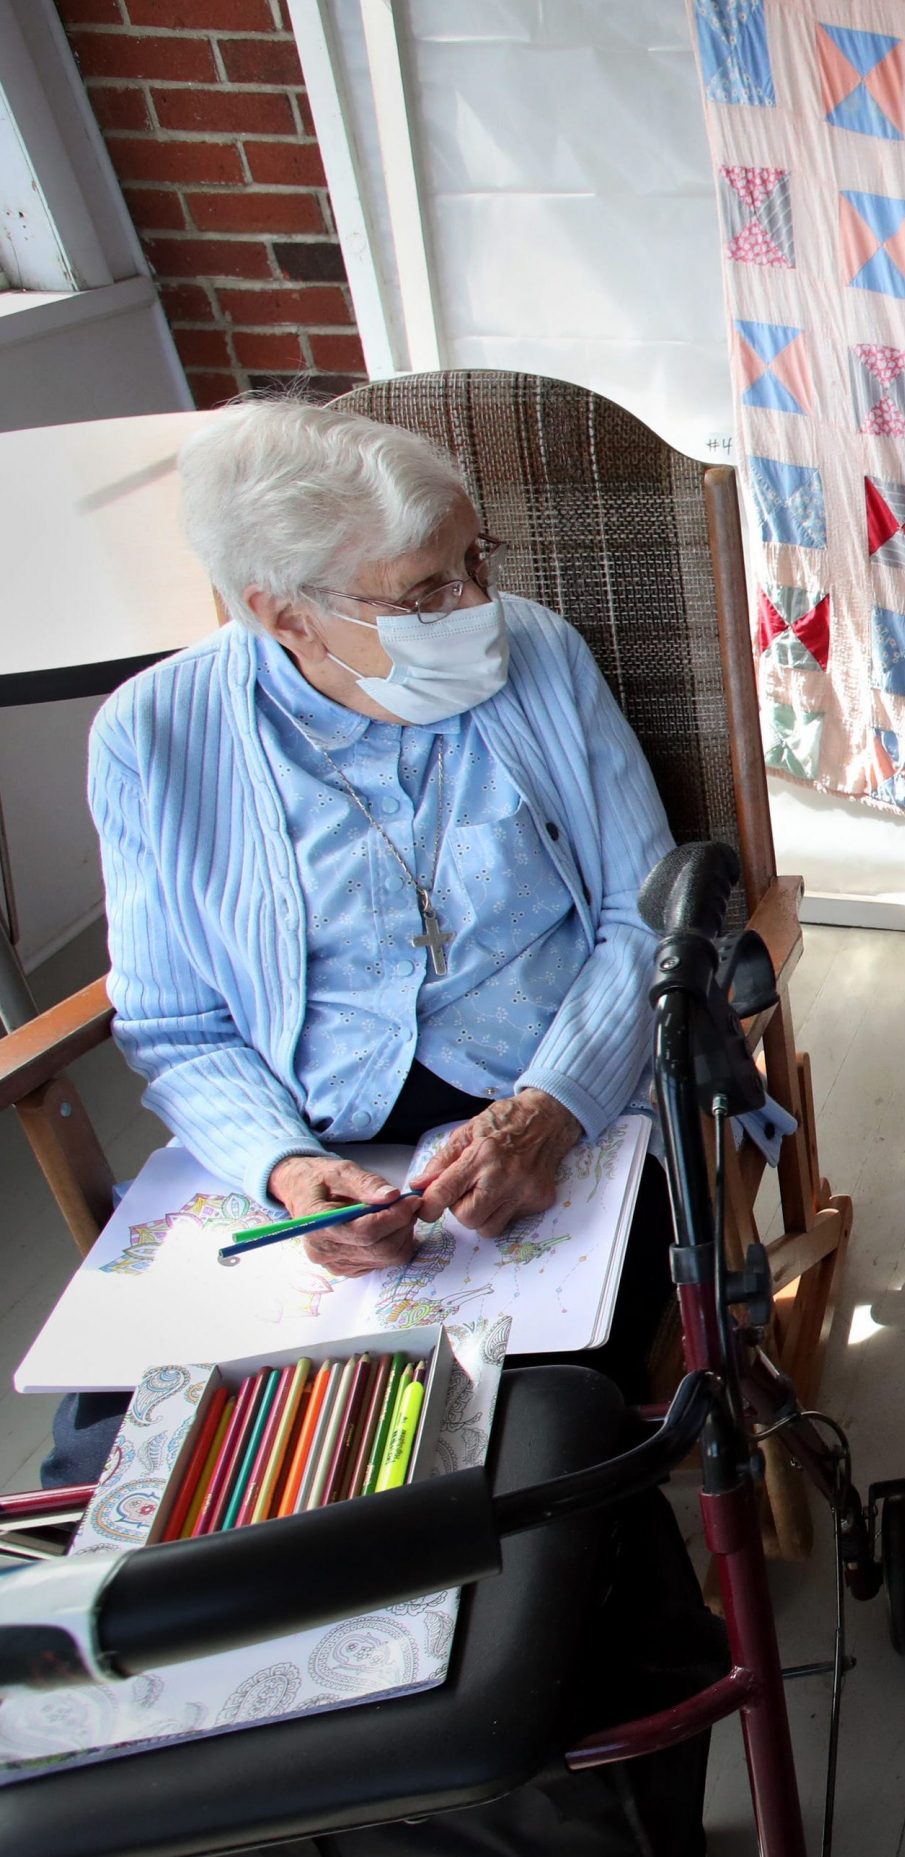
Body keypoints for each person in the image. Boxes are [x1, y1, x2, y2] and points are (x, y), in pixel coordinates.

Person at [44, 397, 677, 1486]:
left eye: (474, 562)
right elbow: (176, 1022)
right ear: (283, 614)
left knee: (519, 1449)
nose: (478, 606)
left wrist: (549, 1111)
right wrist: (287, 1173)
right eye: (428, 592)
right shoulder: (153, 737)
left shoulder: (541, 658)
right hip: (310, 1137)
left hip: (552, 1111)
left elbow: (647, 913)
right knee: (135, 1463)